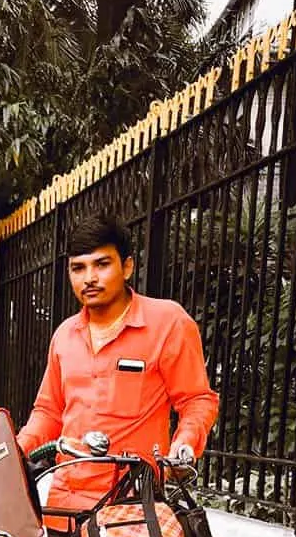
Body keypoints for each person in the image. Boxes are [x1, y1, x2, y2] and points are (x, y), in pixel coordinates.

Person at [18, 213, 219, 516]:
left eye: (101, 264)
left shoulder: (167, 323)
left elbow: (196, 400)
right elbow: (48, 412)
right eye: (78, 268)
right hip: (64, 506)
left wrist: (185, 446)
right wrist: (15, 450)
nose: (89, 278)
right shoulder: (64, 336)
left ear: (127, 267)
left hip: (133, 506)